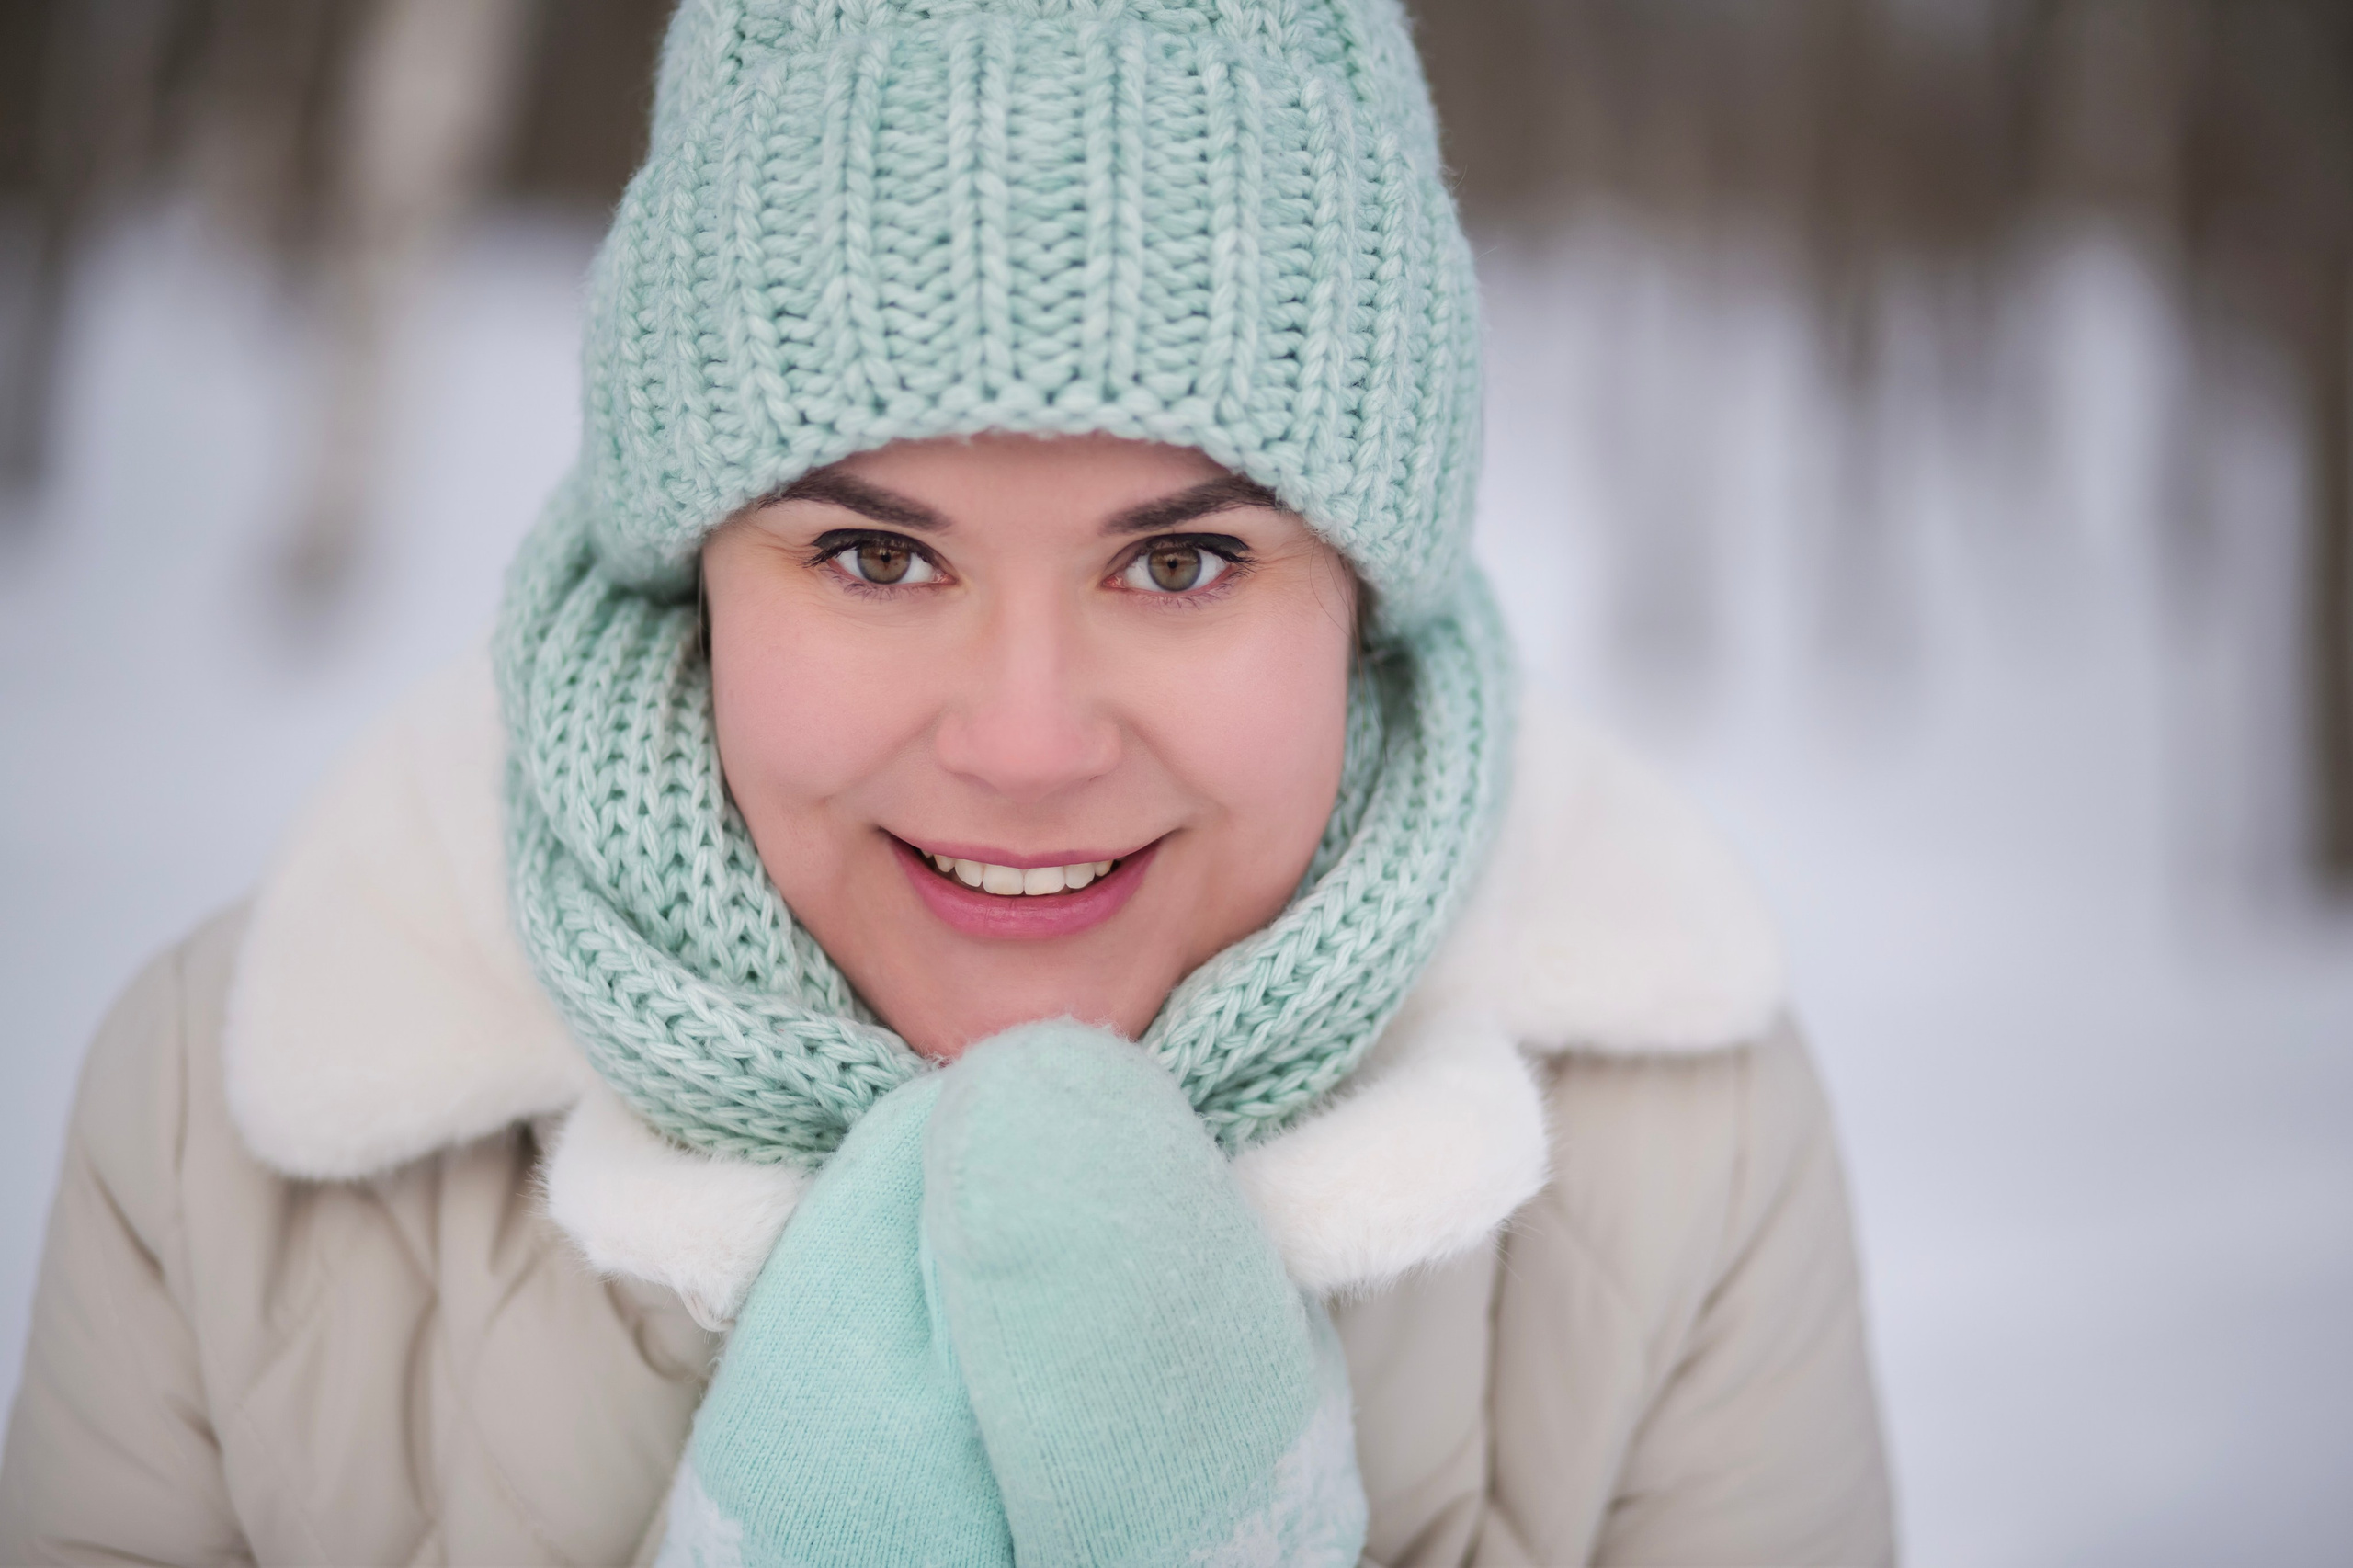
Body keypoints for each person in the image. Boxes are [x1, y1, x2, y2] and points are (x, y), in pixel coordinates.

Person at [0, 1, 1894, 1562]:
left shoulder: (1670, 1147)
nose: (1022, 738)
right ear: (694, 573)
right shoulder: (227, 1129)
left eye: (1180, 562)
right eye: (873, 557)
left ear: (1359, 593)